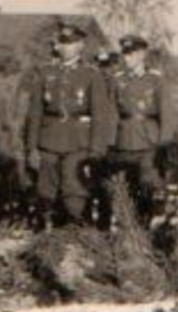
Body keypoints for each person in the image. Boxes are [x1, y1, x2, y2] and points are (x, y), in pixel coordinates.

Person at [25, 22, 114, 227]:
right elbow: (35, 113)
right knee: (45, 192)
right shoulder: (45, 73)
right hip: (48, 142)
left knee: (74, 193)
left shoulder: (92, 75)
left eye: (71, 43)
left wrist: (96, 152)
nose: (66, 47)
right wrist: (32, 148)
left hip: (78, 144)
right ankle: (45, 241)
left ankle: (73, 238)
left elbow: (100, 117)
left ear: (81, 46)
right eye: (62, 43)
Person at [104, 33, 175, 223]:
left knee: (148, 188)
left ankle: (146, 227)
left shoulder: (156, 80)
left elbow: (167, 114)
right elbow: (111, 114)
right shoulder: (117, 80)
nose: (128, 58)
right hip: (124, 143)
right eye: (125, 54)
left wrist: (164, 144)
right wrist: (109, 144)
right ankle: (128, 230)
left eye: (132, 53)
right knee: (125, 190)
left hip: (148, 142)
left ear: (142, 54)